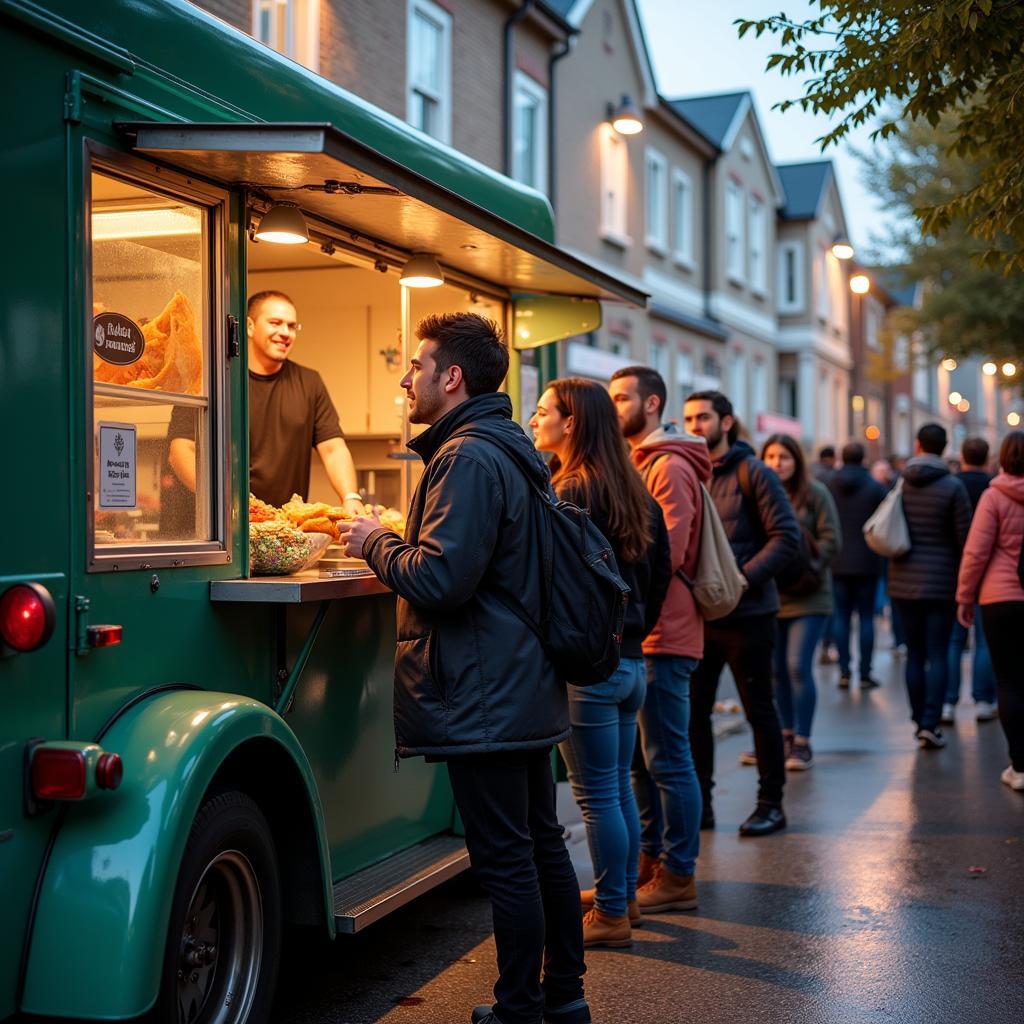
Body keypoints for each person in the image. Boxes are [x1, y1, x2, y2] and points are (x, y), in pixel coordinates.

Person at [337, 313, 589, 1024]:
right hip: (515, 682)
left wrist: (374, 540)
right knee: (539, 847)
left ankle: (520, 1008)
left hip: (486, 689)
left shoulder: (468, 457)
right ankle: (562, 998)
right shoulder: (504, 445)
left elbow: (443, 578)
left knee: (509, 858)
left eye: (415, 366)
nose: (404, 377)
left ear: (451, 377)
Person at [530, 378, 671, 948]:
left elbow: (549, 583)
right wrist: (632, 634)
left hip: (591, 670)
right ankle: (624, 897)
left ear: (572, 424)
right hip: (631, 663)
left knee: (597, 796)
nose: (536, 420)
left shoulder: (568, 491)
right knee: (613, 791)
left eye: (544, 411)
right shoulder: (633, 488)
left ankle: (611, 912)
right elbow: (660, 579)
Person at [608, 366, 710, 915]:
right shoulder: (642, 462)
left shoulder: (667, 465)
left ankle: (679, 873)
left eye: (621, 397)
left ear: (651, 404)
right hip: (650, 631)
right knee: (641, 765)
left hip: (665, 633)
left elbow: (664, 556)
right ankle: (650, 863)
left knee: (668, 759)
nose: (613, 405)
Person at [683, 390, 800, 836]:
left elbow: (785, 537)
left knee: (759, 710)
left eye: (704, 417)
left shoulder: (755, 473)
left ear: (726, 422)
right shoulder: (685, 472)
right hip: (699, 617)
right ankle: (702, 806)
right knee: (695, 714)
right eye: (690, 417)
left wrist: (740, 580)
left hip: (749, 616)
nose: (696, 425)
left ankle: (771, 804)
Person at [167, 290, 363, 513]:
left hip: (282, 529)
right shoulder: (211, 380)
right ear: (249, 326)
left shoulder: (310, 382)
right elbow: (181, 450)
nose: (285, 333)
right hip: (222, 526)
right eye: (275, 323)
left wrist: (351, 497)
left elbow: (333, 449)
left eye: (291, 326)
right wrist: (223, 504)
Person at [759, 434, 841, 770]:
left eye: (784, 457)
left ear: (797, 461)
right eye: (771, 456)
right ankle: (785, 734)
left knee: (796, 666)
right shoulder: (759, 493)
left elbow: (832, 539)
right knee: (776, 672)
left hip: (809, 595)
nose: (777, 463)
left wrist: (810, 567)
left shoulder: (816, 493)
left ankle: (803, 741)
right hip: (771, 595)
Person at [888, 423, 971, 750]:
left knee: (915, 653)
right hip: (941, 583)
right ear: (945, 447)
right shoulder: (953, 487)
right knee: (938, 652)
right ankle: (931, 722)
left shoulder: (901, 484)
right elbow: (965, 539)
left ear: (918, 444)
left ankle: (917, 717)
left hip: (902, 581)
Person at [955, 430, 1024, 791]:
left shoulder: (994, 496)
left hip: (1000, 597)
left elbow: (976, 552)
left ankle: (1020, 765)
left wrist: (965, 597)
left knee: (1010, 682)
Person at [944, 436, 997, 723]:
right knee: (984, 641)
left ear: (962, 456)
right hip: (991, 574)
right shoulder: (993, 487)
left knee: (954, 640)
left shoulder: (951, 485)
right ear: (987, 457)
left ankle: (948, 702)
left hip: (952, 571)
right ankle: (983, 699)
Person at [828, 443, 887, 689]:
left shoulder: (829, 485)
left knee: (841, 617)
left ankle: (843, 670)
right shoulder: (874, 487)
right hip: (867, 561)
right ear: (863, 458)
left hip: (837, 560)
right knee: (865, 619)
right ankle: (864, 673)